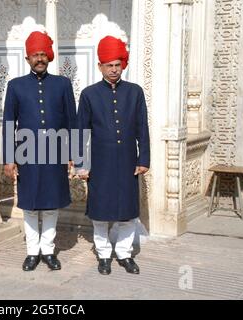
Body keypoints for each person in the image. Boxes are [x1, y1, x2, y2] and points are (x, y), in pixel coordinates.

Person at [2, 31, 77, 271]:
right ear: (27, 58)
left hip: (55, 153)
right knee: (30, 204)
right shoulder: (15, 86)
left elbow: (72, 122)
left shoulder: (63, 85)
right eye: (35, 55)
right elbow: (8, 124)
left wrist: (74, 154)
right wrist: (8, 158)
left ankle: (48, 250)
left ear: (49, 57)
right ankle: (32, 252)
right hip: (27, 153)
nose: (40, 59)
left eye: (43, 54)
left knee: (52, 203)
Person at [76, 36, 150, 275]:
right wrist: (81, 163)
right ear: (100, 66)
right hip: (100, 165)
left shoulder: (135, 92)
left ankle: (125, 254)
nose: (114, 69)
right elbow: (81, 132)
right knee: (100, 214)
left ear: (123, 64)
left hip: (128, 163)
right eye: (109, 65)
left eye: (117, 64)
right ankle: (104, 255)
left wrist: (144, 159)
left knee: (128, 214)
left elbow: (142, 127)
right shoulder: (89, 94)